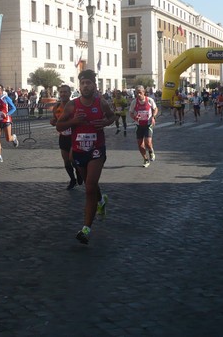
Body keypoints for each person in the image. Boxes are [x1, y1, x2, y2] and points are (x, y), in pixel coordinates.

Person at [56, 69, 115, 245]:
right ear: (79, 86)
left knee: (89, 186)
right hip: (79, 151)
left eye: (89, 83)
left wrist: (105, 122)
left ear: (94, 86)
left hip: (97, 150)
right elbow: (59, 126)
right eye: (83, 83)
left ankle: (86, 229)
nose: (85, 86)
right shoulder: (72, 105)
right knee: (90, 183)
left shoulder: (101, 102)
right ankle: (101, 200)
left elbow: (112, 116)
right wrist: (73, 122)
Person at [50, 84, 83, 190]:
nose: (63, 94)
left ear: (70, 93)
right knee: (66, 161)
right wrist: (53, 122)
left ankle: (79, 172)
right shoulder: (56, 107)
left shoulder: (74, 105)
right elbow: (56, 120)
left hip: (74, 136)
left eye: (65, 92)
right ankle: (72, 179)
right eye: (61, 92)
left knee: (72, 158)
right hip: (63, 137)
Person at [129, 85, 158, 168]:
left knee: (148, 142)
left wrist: (153, 117)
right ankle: (145, 159)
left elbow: (155, 109)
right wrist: (135, 117)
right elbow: (130, 113)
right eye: (136, 93)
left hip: (148, 124)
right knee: (140, 144)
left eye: (140, 93)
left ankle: (151, 151)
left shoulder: (149, 100)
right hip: (139, 125)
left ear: (144, 92)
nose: (138, 95)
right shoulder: (134, 102)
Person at [0, 84, 19, 163]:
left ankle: (13, 138)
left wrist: (6, 114)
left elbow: (13, 108)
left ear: (1, 90)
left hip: (6, 121)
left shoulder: (5, 98)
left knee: (8, 139)